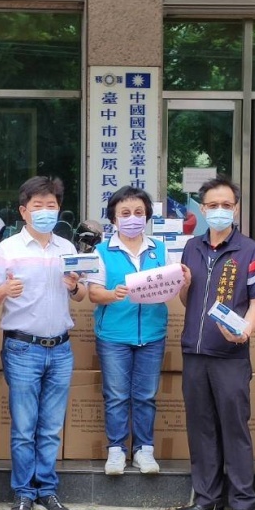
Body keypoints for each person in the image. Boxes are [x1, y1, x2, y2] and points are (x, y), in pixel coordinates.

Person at [0, 176, 87, 510]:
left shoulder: (67, 249)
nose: (45, 212)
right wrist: (4, 291)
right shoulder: (8, 249)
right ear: (23, 211)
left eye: (51, 206)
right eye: (38, 206)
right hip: (23, 348)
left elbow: (82, 294)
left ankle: (47, 490)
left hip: (60, 348)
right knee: (25, 427)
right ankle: (23, 494)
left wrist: (74, 287)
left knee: (51, 427)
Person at [176, 176, 255, 510]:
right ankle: (206, 497)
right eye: (212, 205)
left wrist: (245, 330)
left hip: (230, 353)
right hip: (195, 350)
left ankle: (242, 503)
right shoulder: (191, 247)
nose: (219, 211)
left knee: (234, 427)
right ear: (202, 210)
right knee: (201, 427)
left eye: (226, 205)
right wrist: (184, 286)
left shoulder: (251, 250)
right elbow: (187, 299)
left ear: (235, 209)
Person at [87, 185, 169, 477]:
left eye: (138, 212)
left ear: (147, 216)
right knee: (117, 395)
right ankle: (117, 450)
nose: (132, 218)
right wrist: (114, 293)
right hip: (113, 335)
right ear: (113, 218)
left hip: (152, 333)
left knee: (146, 395)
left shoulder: (160, 249)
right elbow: (94, 294)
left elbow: (170, 284)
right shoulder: (101, 251)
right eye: (125, 213)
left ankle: (144, 450)